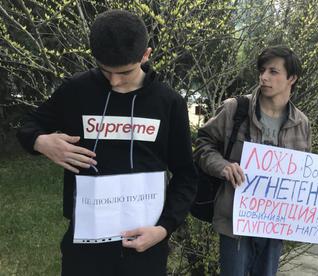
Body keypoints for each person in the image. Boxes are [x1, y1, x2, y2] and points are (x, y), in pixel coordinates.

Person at [16, 10, 197, 276]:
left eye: (124, 72)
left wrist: (163, 228)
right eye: (105, 71)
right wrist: (41, 141)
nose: (113, 81)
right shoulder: (77, 90)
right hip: (85, 247)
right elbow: (28, 126)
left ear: (145, 55)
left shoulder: (168, 103)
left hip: (144, 248)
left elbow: (186, 175)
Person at [194, 46, 318, 276]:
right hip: (234, 222)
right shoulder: (235, 109)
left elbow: (305, 177)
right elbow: (203, 146)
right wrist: (223, 167)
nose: (264, 77)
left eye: (273, 71)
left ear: (292, 78)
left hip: (275, 226)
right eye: (262, 70)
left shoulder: (301, 123)